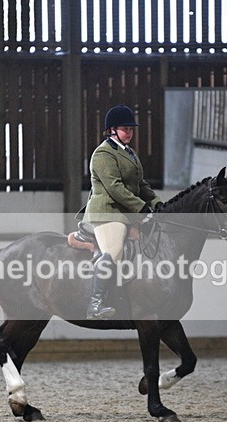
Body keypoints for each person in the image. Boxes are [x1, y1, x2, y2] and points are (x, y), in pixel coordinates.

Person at [83, 104, 163, 319]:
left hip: (125, 211)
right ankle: (95, 304)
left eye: (131, 129)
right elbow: (115, 187)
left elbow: (141, 184)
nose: (129, 133)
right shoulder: (103, 154)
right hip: (108, 213)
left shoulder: (130, 153)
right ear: (112, 130)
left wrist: (156, 202)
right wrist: (141, 208)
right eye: (124, 129)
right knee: (114, 251)